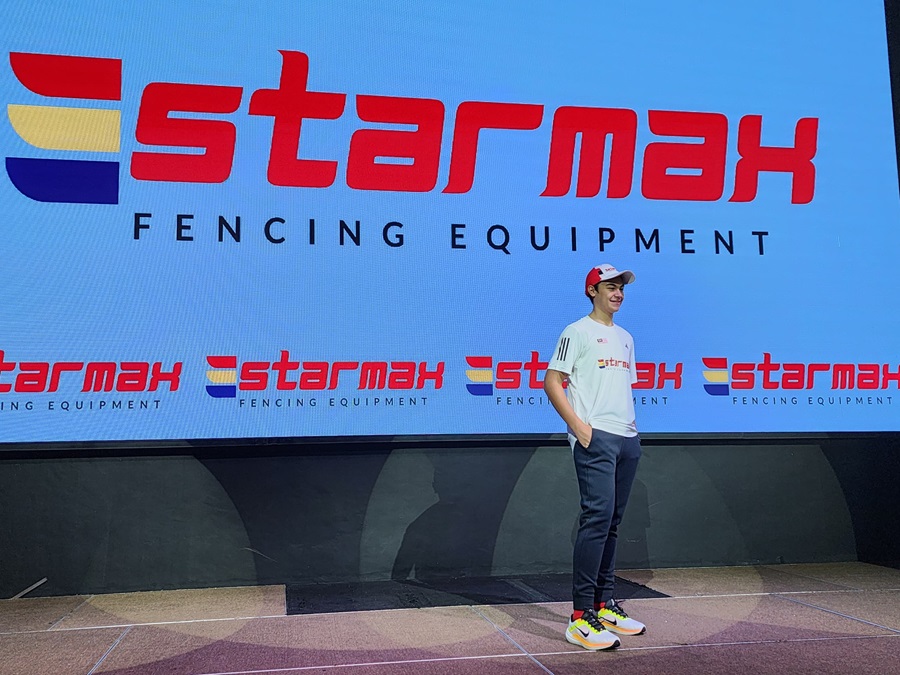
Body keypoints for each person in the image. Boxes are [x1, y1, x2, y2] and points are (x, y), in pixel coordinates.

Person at [543, 263, 646, 651]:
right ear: (592, 291)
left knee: (612, 523)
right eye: (610, 287)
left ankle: (604, 605)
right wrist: (579, 427)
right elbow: (552, 381)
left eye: (621, 288)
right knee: (597, 519)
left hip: (626, 438)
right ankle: (580, 616)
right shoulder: (577, 331)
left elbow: (622, 388)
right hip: (595, 436)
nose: (618, 293)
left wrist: (632, 431)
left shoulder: (626, 338)